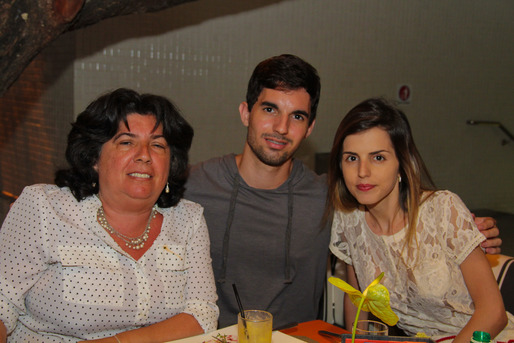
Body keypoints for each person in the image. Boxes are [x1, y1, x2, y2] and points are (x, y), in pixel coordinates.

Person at [183, 54, 502, 329]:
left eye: (297, 116)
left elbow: (399, 213)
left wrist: (470, 232)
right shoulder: (194, 185)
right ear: (245, 112)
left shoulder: (330, 198)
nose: (281, 127)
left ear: (310, 128)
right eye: (269, 110)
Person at [0, 88, 218, 342]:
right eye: (126, 142)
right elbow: (2, 301)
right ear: (94, 157)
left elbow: (202, 314)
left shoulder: (188, 219)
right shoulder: (45, 208)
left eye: (157, 145)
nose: (144, 155)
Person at [327, 98, 513, 342]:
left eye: (378, 157)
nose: (362, 171)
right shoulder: (349, 219)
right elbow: (360, 301)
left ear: (401, 164)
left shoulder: (443, 209)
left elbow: (493, 313)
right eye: (352, 158)